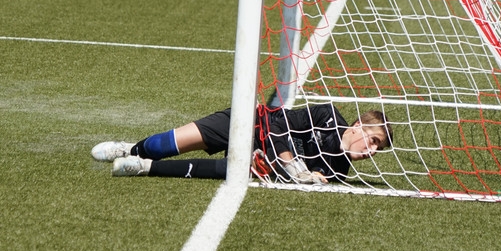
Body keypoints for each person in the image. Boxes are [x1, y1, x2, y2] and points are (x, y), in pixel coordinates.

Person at [91, 100, 391, 184]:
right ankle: (131, 148)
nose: (372, 150)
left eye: (378, 148)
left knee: (232, 170)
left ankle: (143, 167)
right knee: (163, 144)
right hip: (251, 121)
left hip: (259, 155)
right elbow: (278, 124)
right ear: (358, 126)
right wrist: (291, 163)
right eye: (373, 140)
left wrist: (301, 176)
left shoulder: (338, 171)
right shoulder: (327, 116)